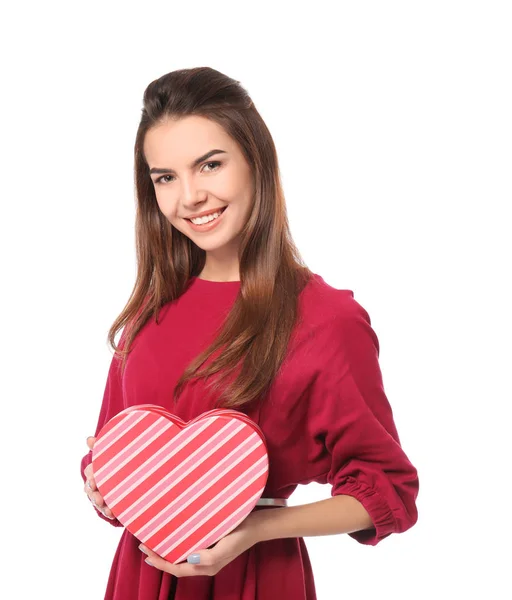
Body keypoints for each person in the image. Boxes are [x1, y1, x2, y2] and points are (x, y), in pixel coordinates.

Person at [80, 66, 419, 600]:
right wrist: (103, 488)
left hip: (256, 579)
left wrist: (254, 530)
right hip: (142, 577)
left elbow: (388, 491)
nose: (189, 197)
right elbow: (107, 450)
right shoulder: (149, 311)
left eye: (209, 165)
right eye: (164, 177)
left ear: (255, 161)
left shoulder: (325, 321)